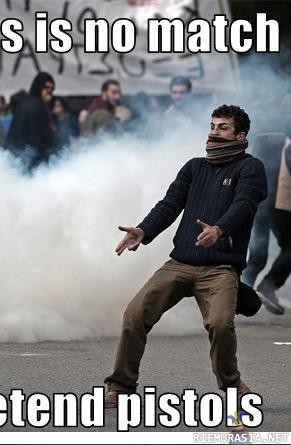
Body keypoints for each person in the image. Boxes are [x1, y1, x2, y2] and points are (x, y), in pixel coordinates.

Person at [103, 105, 268, 407]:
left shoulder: (251, 168)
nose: (214, 132)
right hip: (179, 263)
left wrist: (219, 229)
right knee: (134, 316)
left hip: (220, 268)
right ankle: (121, 386)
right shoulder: (194, 167)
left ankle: (231, 385)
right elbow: (169, 204)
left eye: (223, 127)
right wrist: (144, 230)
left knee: (220, 324)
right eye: (212, 126)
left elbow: (245, 204)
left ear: (240, 135)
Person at [243, 129, 291, 314]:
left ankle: (237, 292)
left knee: (258, 255)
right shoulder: (284, 146)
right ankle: (267, 286)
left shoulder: (267, 140)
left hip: (257, 200)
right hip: (277, 204)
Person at [6, 72, 56, 168]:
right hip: (32, 160)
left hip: (17, 158)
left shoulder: (25, 103)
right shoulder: (37, 106)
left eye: (52, 89)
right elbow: (39, 138)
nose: (49, 92)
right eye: (46, 88)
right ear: (38, 86)